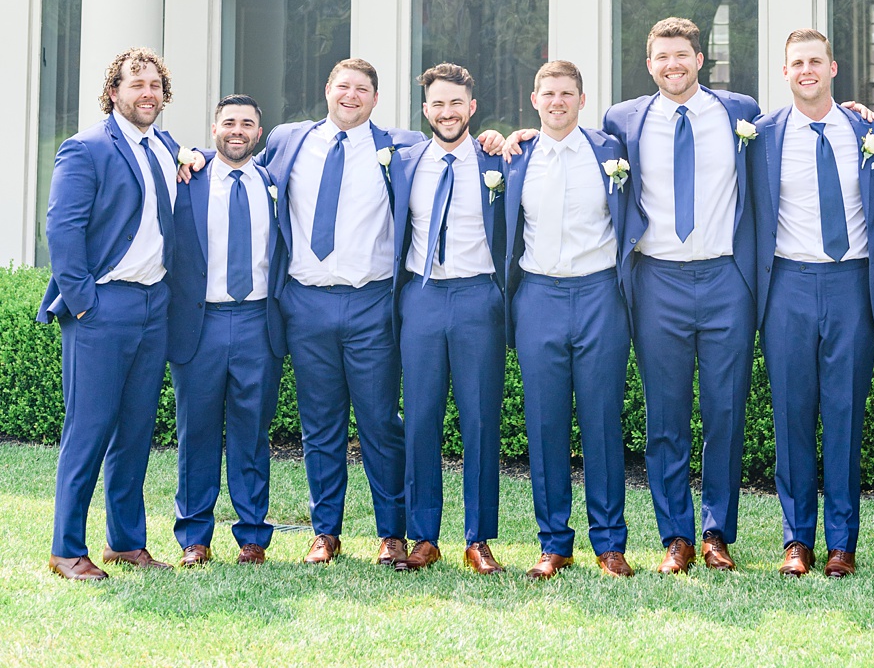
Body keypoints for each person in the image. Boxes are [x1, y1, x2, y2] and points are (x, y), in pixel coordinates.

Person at [604, 16, 763, 573]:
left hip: (725, 279)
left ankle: (717, 531)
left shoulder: (739, 111)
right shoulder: (623, 120)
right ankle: (677, 535)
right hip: (658, 280)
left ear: (700, 60)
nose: (672, 65)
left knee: (725, 411)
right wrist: (513, 135)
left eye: (682, 55)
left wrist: (855, 111)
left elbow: (799, 122)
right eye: (661, 58)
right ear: (649, 65)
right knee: (665, 417)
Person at [261, 57, 420, 566]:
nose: (351, 96)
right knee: (320, 423)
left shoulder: (402, 147)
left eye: (363, 89)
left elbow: (457, 148)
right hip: (305, 303)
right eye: (343, 86)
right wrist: (193, 158)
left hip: (371, 302)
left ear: (376, 99)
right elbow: (233, 156)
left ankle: (391, 531)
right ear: (326, 89)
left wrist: (500, 141)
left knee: (379, 422)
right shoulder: (290, 140)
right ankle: (325, 531)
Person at [39, 47, 184, 581]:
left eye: (155, 85)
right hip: (103, 305)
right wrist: (84, 304)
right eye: (136, 83)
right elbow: (62, 231)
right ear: (114, 92)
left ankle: (125, 542)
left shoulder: (165, 146)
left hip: (154, 304)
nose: (147, 92)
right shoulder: (86, 148)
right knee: (89, 427)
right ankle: (66, 549)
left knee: (135, 430)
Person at [751, 28, 874, 578]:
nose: (806, 70)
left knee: (844, 415)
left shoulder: (867, 131)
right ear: (784, 73)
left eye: (816, 61)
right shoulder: (760, 136)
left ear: (834, 67)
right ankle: (796, 541)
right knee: (791, 414)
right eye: (796, 63)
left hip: (850, 284)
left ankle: (842, 542)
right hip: (786, 283)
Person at [503, 59, 636, 579]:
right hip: (538, 295)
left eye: (567, 93)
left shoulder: (611, 151)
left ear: (582, 100)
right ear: (534, 101)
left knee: (603, 420)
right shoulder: (515, 157)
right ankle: (554, 541)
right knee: (545, 421)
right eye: (548, 93)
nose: (557, 101)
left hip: (601, 293)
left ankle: (609, 543)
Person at [388, 64, 509, 573]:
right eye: (437, 104)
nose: (447, 113)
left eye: (456, 103)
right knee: (419, 419)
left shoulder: (497, 158)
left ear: (472, 107)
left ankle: (478, 538)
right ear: (424, 109)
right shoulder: (402, 160)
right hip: (421, 295)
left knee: (480, 419)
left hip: (479, 297)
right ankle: (423, 536)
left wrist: (508, 138)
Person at [164, 92, 284, 566]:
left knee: (253, 432)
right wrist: (180, 152)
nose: (238, 130)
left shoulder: (274, 181)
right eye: (229, 122)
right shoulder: (186, 180)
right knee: (196, 431)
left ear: (259, 132)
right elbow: (152, 143)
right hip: (201, 321)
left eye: (247, 123)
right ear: (214, 129)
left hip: (259, 322)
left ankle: (253, 536)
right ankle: (195, 537)